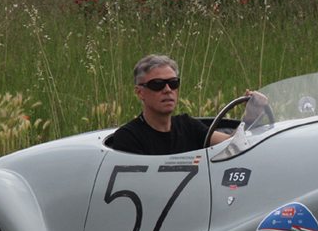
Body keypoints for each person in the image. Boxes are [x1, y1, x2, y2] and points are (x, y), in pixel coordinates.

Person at [106, 54, 264, 155]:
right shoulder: (128, 137)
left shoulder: (187, 125)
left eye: (173, 83)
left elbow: (232, 143)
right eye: (157, 84)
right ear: (140, 92)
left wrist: (251, 116)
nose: (167, 90)